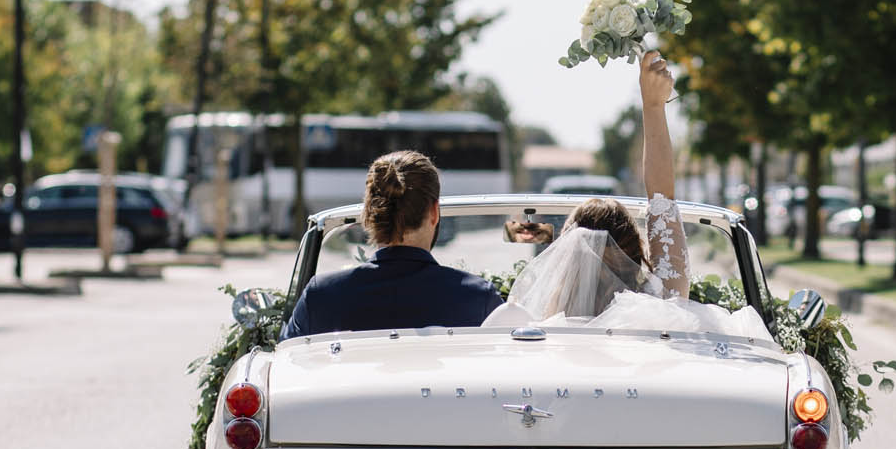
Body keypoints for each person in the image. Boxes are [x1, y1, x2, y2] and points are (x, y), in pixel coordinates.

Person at [486, 52, 769, 340]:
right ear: (634, 250)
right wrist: (653, 105)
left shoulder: (530, 326)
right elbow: (662, 198)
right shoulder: (662, 310)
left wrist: (652, 104)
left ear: (566, 252)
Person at [279, 150, 505, 339]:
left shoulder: (321, 296)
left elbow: (288, 363)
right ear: (434, 213)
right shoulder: (478, 298)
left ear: (369, 215)